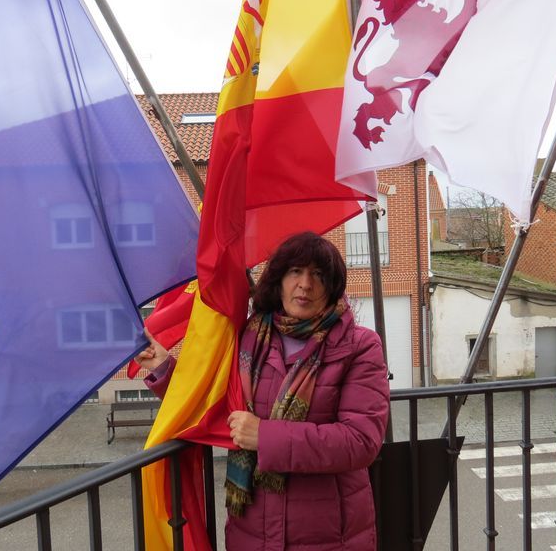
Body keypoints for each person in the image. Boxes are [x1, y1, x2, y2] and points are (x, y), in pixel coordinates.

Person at [135, 231, 390, 550]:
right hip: (251, 532)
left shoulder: (359, 346)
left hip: (330, 536)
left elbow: (361, 440)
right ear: (279, 279)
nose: (305, 284)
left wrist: (265, 436)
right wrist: (162, 367)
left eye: (318, 275)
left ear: (332, 287)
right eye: (295, 271)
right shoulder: (248, 338)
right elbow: (211, 403)